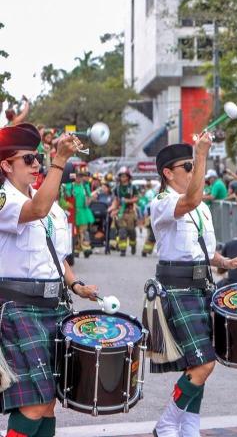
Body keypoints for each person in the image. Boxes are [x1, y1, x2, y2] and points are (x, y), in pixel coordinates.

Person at [0, 123, 98, 437]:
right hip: (19, 308)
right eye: (28, 159)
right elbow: (37, 208)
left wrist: (74, 284)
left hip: (52, 305)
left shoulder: (47, 202)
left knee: (50, 399)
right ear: (6, 165)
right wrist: (59, 161)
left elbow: (57, 255)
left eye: (38, 159)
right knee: (34, 402)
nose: (36, 165)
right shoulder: (4, 199)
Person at [148, 140, 237, 437]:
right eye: (188, 167)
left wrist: (225, 262)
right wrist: (201, 153)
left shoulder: (201, 207)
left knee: (196, 363)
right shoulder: (163, 202)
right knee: (203, 363)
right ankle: (167, 422)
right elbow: (187, 201)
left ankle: (189, 427)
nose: (193, 171)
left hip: (202, 284)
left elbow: (204, 249)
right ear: (168, 172)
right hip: (176, 287)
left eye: (194, 166)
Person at [65, 167, 94, 258]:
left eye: (81, 176)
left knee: (84, 230)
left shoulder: (85, 186)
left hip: (83, 211)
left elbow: (89, 197)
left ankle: (86, 249)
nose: (79, 178)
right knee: (75, 231)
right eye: (78, 176)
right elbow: (67, 197)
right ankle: (76, 249)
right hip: (74, 211)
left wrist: (88, 202)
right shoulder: (70, 185)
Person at [109, 167, 139, 256]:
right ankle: (123, 250)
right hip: (120, 212)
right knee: (122, 231)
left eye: (125, 176)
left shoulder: (133, 187)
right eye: (121, 176)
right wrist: (112, 210)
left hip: (130, 212)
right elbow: (115, 200)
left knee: (131, 231)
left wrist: (127, 201)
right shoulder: (116, 188)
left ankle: (133, 245)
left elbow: (137, 198)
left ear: (128, 177)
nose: (123, 178)